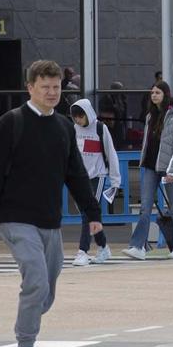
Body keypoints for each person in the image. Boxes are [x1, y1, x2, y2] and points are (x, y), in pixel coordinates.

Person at [0, 59, 105, 347]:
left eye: (56, 87)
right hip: (16, 219)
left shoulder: (62, 127)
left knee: (46, 291)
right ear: (30, 88)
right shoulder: (10, 123)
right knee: (35, 280)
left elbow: (75, 173)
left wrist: (93, 213)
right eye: (44, 87)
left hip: (49, 222)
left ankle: (28, 322)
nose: (51, 92)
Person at [125, 80, 173, 260]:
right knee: (145, 207)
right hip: (149, 165)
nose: (154, 95)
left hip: (169, 167)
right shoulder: (150, 116)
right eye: (152, 92)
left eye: (157, 93)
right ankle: (138, 246)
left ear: (165, 94)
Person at [69, 98, 121, 266]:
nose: (78, 120)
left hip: (97, 176)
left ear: (88, 114)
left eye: (80, 116)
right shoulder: (73, 130)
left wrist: (115, 180)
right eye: (75, 117)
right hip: (79, 178)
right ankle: (103, 246)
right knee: (90, 215)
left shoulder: (100, 128)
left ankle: (82, 251)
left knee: (87, 213)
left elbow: (111, 154)